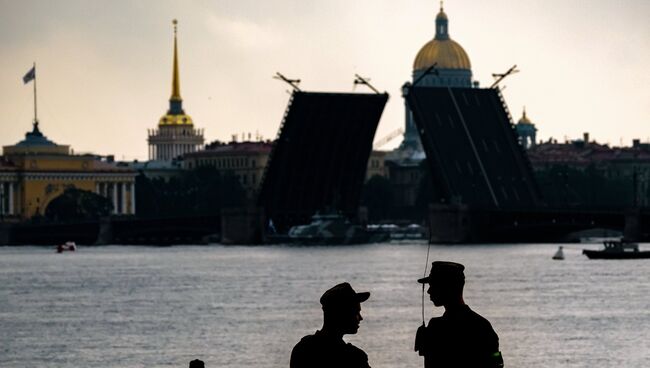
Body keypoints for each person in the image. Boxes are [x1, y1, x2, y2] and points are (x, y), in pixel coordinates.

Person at [415, 261, 504, 367]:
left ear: (447, 287)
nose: (429, 291)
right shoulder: (483, 326)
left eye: (433, 285)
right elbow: (497, 365)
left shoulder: (436, 327)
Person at [290, 282, 371, 368]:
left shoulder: (302, 348)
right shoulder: (354, 358)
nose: (360, 318)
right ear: (341, 314)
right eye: (356, 312)